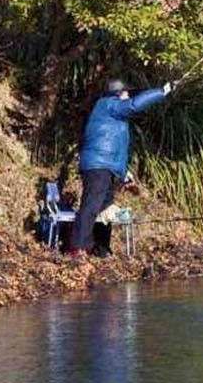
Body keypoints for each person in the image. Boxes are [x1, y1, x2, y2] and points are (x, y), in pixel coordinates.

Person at [69, 78, 175, 257]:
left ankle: (101, 249)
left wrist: (124, 172)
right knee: (91, 206)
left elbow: (115, 147)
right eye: (127, 92)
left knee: (105, 208)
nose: (128, 95)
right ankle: (77, 248)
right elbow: (134, 105)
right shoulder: (110, 104)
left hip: (106, 167)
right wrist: (161, 91)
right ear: (118, 94)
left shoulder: (113, 113)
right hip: (98, 166)